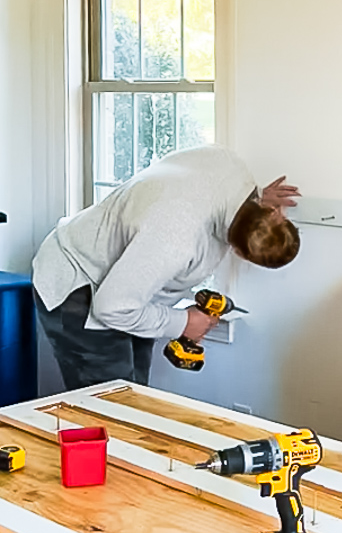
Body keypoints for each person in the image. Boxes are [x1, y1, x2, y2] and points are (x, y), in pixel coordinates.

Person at [33, 145, 301, 389]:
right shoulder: (175, 237)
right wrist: (184, 322)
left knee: (134, 395)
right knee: (110, 408)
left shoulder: (231, 168)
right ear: (239, 252)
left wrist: (253, 204)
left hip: (127, 285)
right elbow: (112, 307)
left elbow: (205, 192)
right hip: (79, 282)